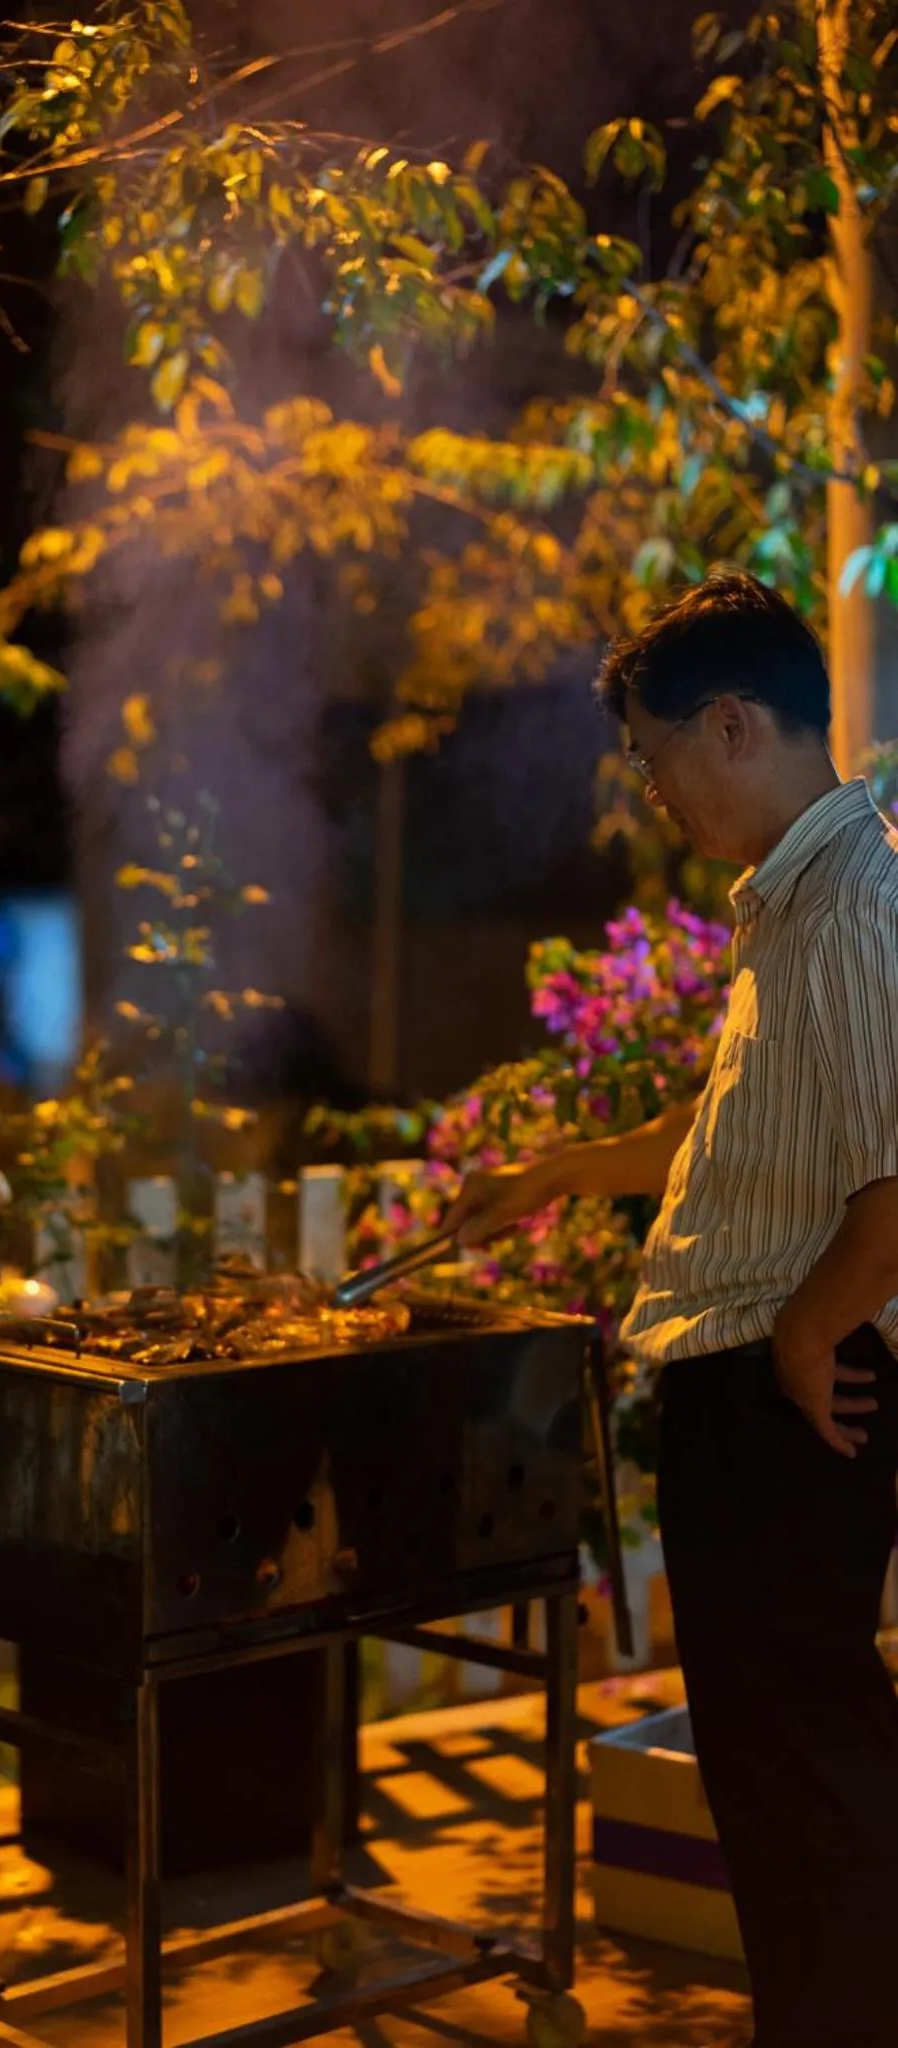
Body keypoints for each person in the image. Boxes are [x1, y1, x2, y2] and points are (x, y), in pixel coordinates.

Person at [441, 566, 898, 2048]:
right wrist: (553, 1174)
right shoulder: (802, 900)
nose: (648, 793)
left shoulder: (856, 902)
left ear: (731, 724)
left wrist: (807, 1331)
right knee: (787, 1775)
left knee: (805, 1777)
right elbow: (739, 1127)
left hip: (786, 1405)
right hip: (754, 1399)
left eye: (649, 756)